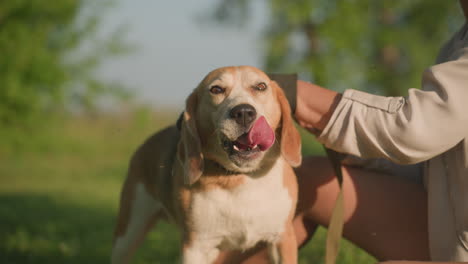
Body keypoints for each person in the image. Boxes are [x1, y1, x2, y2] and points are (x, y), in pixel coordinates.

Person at [216, 0, 468, 263]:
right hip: (448, 228)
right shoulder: (459, 40)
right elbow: (439, 164)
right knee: (300, 185)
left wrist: (291, 94)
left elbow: (414, 129)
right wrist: (348, 147)